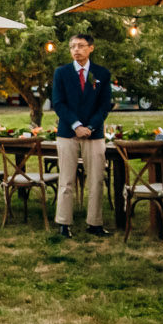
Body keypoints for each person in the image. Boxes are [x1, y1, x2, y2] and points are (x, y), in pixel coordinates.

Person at [49, 33, 113, 238]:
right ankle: (63, 223)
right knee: (66, 178)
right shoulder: (62, 73)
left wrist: (91, 127)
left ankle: (94, 223)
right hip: (68, 132)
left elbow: (104, 105)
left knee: (95, 179)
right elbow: (58, 103)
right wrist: (76, 125)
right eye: (72, 46)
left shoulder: (101, 73)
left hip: (94, 134)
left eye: (80, 46)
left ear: (91, 48)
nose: (76, 50)